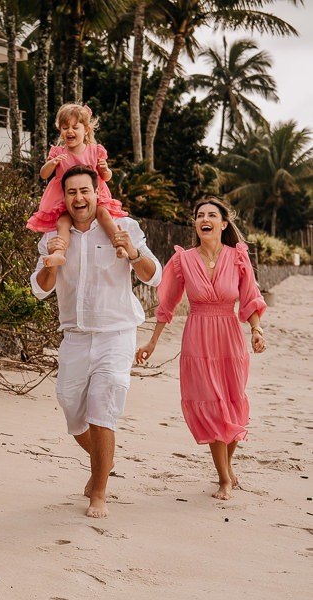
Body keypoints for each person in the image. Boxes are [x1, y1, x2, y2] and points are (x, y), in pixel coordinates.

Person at [31, 164, 162, 518]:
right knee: (72, 410)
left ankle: (99, 492)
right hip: (74, 335)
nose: (78, 198)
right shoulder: (53, 237)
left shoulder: (124, 227)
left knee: (103, 409)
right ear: (65, 197)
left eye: (84, 191)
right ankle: (103, 460)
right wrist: (51, 262)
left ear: (96, 192)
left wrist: (133, 252)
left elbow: (154, 276)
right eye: (71, 192)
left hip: (116, 333)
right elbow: (41, 289)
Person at [135, 197, 266, 501]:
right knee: (212, 407)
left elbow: (250, 299)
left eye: (211, 215)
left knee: (233, 405)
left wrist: (257, 331)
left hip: (230, 338)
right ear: (195, 224)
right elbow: (166, 304)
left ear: (223, 223)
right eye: (199, 215)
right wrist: (152, 341)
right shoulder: (182, 261)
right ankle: (224, 479)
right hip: (197, 339)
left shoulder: (238, 257)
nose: (204, 219)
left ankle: (228, 465)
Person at [28, 104, 129, 268]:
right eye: (65, 127)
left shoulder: (94, 151)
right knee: (63, 224)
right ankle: (59, 253)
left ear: (86, 130)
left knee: (104, 216)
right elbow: (44, 175)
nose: (70, 131)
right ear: (60, 130)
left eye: (75, 127)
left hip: (94, 198)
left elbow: (106, 177)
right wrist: (52, 163)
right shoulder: (58, 153)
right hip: (65, 199)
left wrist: (106, 170)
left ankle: (119, 245)